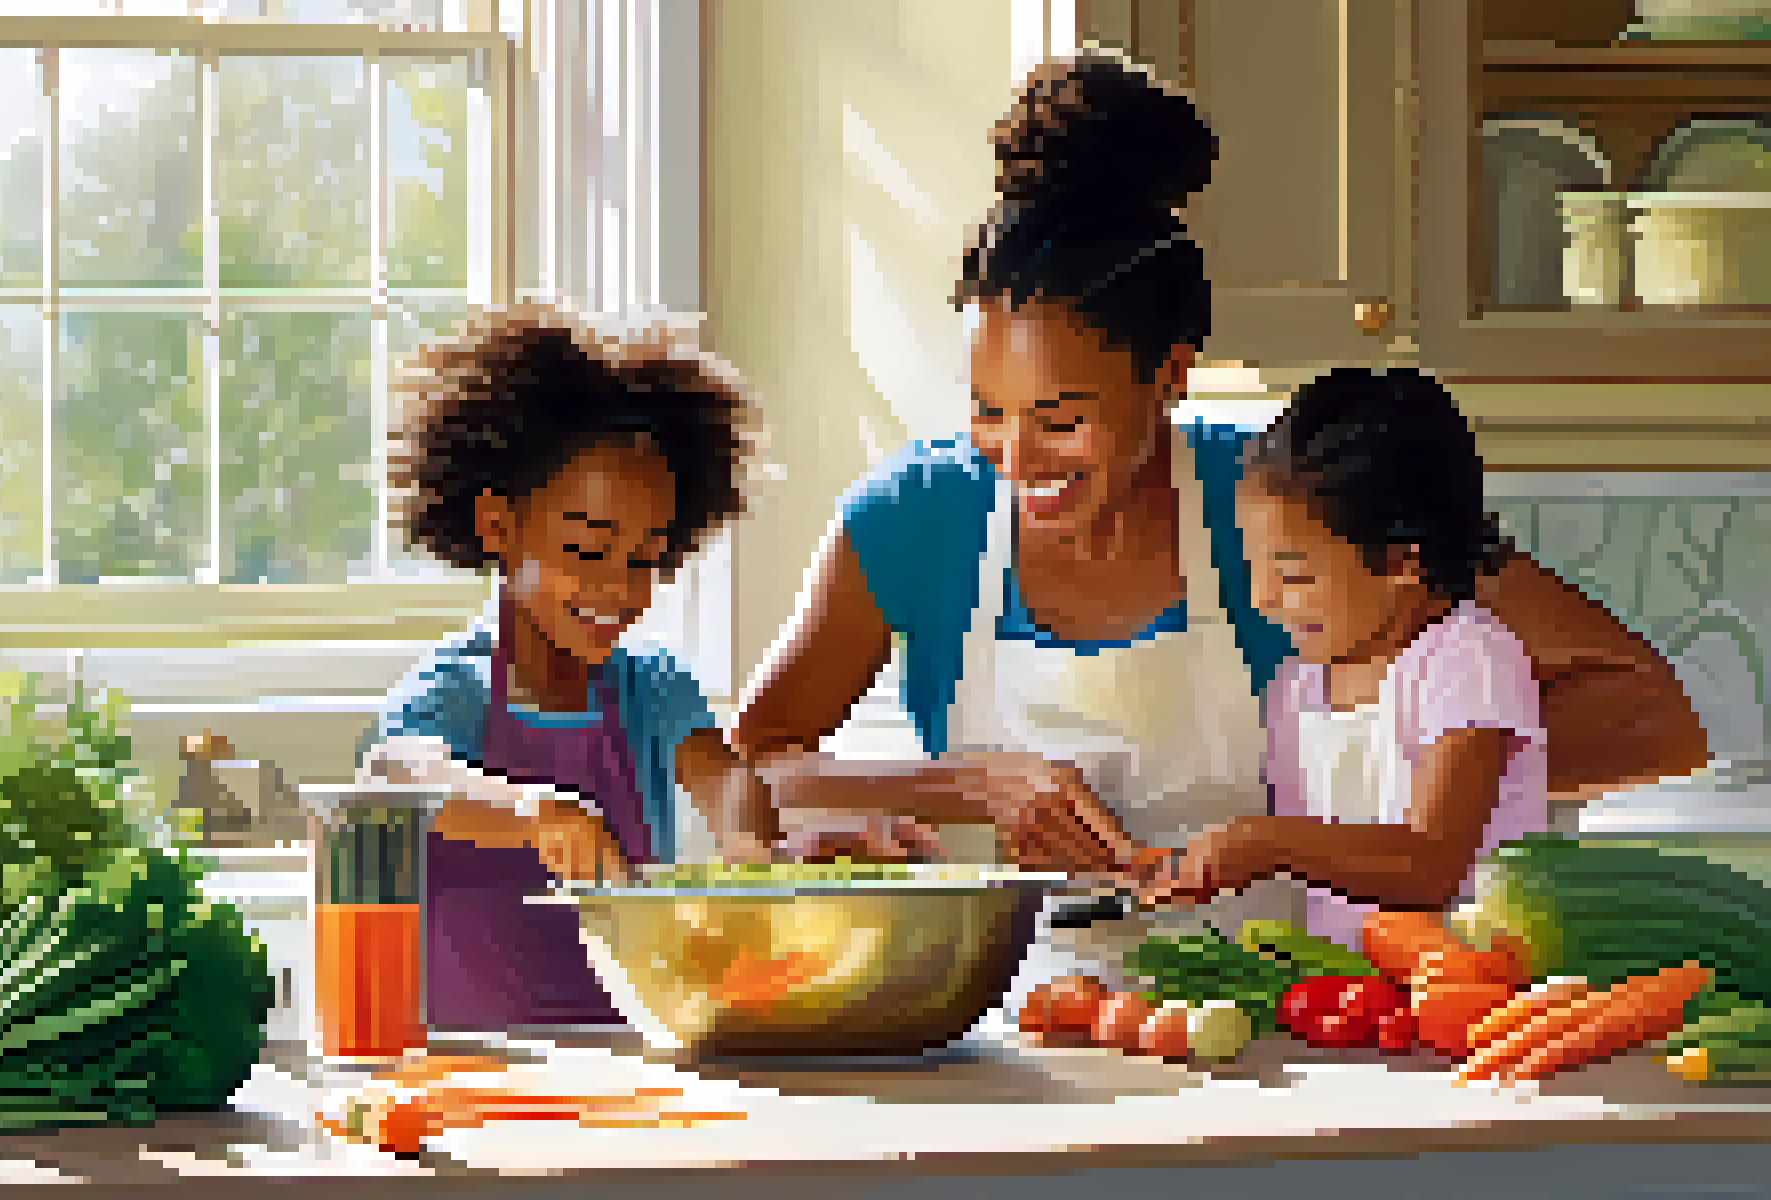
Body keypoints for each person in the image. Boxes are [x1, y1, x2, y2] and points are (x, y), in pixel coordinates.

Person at [724, 52, 1709, 1009]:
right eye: (987, 409)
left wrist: (1420, 783)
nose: (1016, 460)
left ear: (1170, 373)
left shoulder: (1289, 496)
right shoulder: (913, 517)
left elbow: (1648, 714)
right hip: (1009, 1020)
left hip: (1295, 1019)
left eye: (1062, 420)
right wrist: (963, 787)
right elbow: (754, 763)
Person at [355, 305, 772, 1034]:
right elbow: (398, 770)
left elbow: (726, 776)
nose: (619, 588)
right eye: (585, 551)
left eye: (646, 559)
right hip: (473, 1069)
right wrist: (528, 811)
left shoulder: (653, 688)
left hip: (629, 1056)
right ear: (496, 526)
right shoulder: (457, 689)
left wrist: (747, 846)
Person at [1133, 370, 1547, 948]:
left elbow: (1431, 867)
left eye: (1293, 574)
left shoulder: (1468, 661)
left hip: (1470, 1000)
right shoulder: (1296, 686)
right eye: (1255, 569)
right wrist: (1192, 864)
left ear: (1403, 563)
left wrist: (1266, 843)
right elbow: (1315, 866)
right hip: (1351, 1003)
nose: (1263, 600)